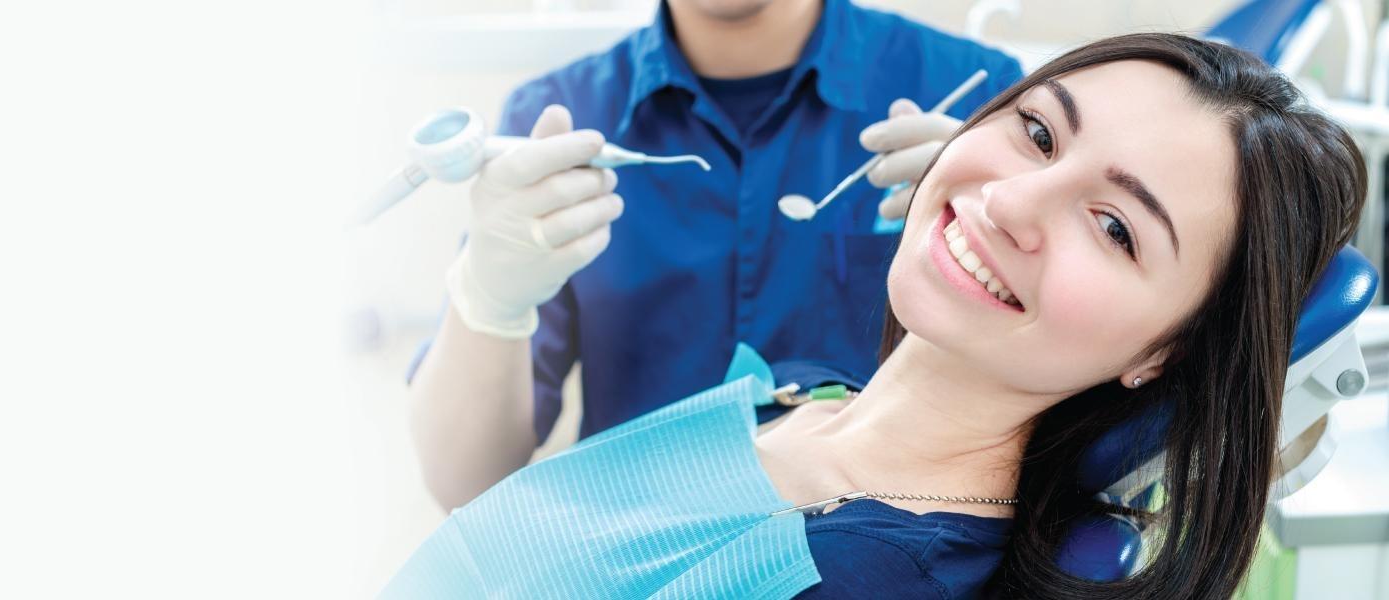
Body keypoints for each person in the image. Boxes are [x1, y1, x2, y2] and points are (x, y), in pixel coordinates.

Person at [388, 33, 1367, 598]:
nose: (1009, 202)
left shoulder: (856, 574)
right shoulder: (798, 400)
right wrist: (490, 296)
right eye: (1036, 132)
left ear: (1169, 349)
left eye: (1114, 228)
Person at [409, 0, 1027, 511]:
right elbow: (467, 482)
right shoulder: (560, 117)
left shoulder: (974, 95)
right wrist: (489, 297)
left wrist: (998, 241)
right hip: (639, 568)